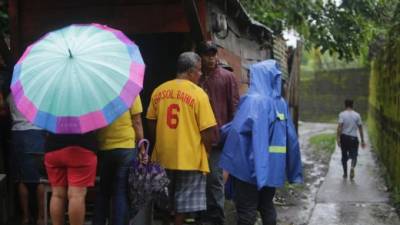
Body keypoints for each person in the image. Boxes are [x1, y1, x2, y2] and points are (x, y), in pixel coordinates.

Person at [219, 60, 303, 225]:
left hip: (248, 168)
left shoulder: (252, 100)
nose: (250, 80)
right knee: (266, 206)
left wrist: (226, 164)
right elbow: (291, 139)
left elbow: (237, 132)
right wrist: (294, 170)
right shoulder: (280, 104)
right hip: (272, 169)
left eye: (251, 76)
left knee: (246, 211)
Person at [146, 52, 217, 225]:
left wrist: (159, 142)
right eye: (199, 71)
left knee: (164, 201)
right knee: (183, 205)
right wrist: (206, 151)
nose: (201, 74)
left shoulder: (159, 91)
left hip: (163, 155)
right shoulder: (199, 94)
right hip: (190, 158)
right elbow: (207, 130)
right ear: (191, 71)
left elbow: (150, 122)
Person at [197, 41, 239, 225]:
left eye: (213, 54)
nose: (211, 58)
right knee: (198, 181)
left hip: (217, 139)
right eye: (207, 55)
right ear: (200, 57)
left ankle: (217, 219)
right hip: (196, 140)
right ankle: (201, 217)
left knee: (214, 181)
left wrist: (231, 136)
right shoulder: (196, 79)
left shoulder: (227, 77)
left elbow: (235, 108)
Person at [93, 96, 146, 225]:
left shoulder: (98, 92)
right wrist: (142, 148)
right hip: (126, 147)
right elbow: (137, 122)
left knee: (104, 191)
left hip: (104, 147)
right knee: (121, 192)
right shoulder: (130, 91)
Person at [8, 95, 46, 225]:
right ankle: (41, 217)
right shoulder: (39, 92)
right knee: (41, 178)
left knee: (21, 178)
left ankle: (25, 217)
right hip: (37, 133)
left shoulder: (12, 94)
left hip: (17, 134)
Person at [44, 131, 97, 225]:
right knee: (76, 195)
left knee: (57, 195)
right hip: (82, 148)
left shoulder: (57, 115)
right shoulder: (86, 115)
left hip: (53, 148)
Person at [337, 99, 365, 180]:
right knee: (354, 155)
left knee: (344, 156)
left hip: (344, 137)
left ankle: (345, 173)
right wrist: (362, 140)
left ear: (345, 105)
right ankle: (352, 167)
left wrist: (338, 138)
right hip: (353, 138)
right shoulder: (357, 115)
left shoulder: (342, 114)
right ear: (352, 105)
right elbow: (360, 128)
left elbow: (340, 127)